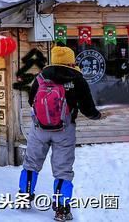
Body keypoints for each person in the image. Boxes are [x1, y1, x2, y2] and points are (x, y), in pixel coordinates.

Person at [17, 46, 104, 221]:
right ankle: (62, 210)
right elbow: (88, 108)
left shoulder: (41, 76)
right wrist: (97, 116)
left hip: (39, 128)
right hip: (64, 130)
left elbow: (31, 99)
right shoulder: (77, 78)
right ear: (70, 60)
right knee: (63, 170)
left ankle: (24, 198)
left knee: (31, 163)